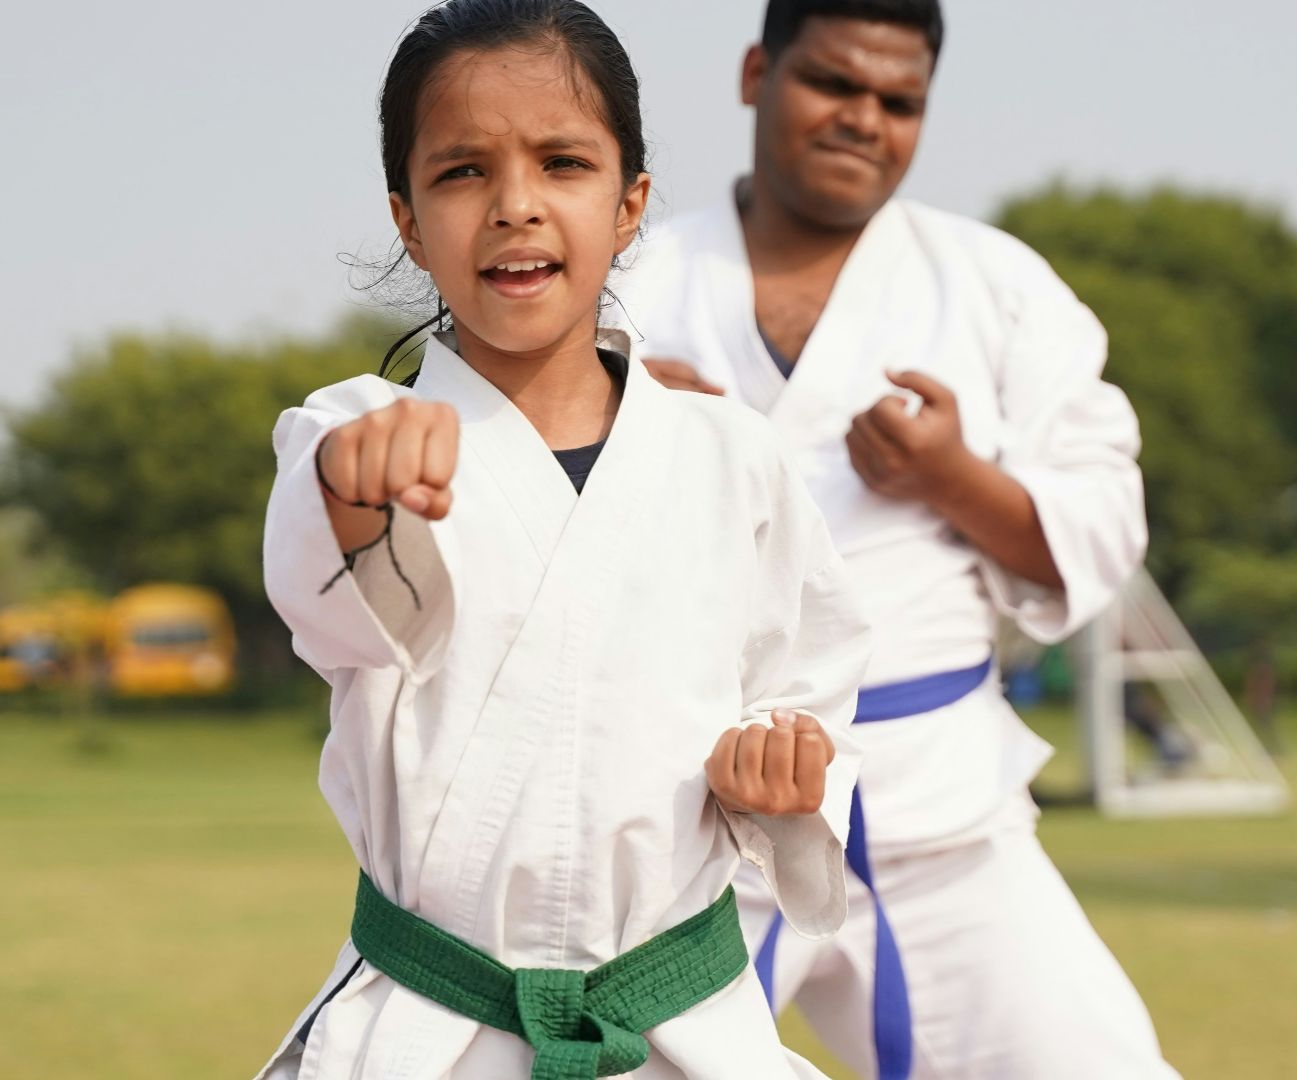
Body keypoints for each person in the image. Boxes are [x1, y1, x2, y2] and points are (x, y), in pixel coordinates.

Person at [253, 2, 871, 1077]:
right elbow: (328, 580)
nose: (515, 205)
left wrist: (781, 774)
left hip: (679, 1025)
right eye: (462, 172)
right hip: (434, 1027)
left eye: (563, 162)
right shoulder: (355, 430)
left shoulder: (732, 458)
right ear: (408, 220)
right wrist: (356, 490)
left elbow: (806, 687)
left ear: (629, 205)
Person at [610, 2, 1177, 1075]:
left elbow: (1101, 536)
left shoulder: (998, 288)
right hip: (676, 829)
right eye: (832, 83)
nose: (863, 119)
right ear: (756, 74)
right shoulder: (627, 285)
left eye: (898, 101)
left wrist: (951, 477)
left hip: (940, 821)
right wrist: (616, 433)